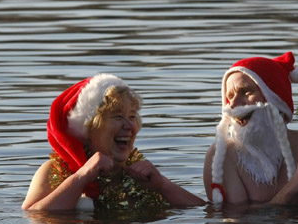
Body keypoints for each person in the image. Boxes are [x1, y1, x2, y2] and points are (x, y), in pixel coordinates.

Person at [22, 73, 205, 211]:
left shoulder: (141, 175)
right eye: (118, 116)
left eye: (132, 116)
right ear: (89, 127)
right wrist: (81, 177)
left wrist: (163, 185)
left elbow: (205, 213)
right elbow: (33, 218)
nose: (130, 125)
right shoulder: (54, 170)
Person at [203, 52, 298, 205]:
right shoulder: (222, 157)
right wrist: (295, 186)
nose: (232, 105)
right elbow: (237, 223)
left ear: (275, 101)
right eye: (230, 96)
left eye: (246, 92)